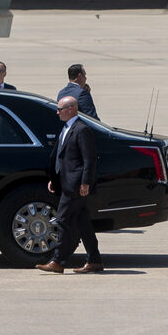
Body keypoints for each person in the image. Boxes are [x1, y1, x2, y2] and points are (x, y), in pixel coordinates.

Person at [38, 94, 102, 273]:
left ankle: (58, 261)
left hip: (75, 185)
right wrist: (54, 178)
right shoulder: (67, 128)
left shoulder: (82, 130)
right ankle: (95, 260)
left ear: (71, 109)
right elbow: (61, 156)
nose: (57, 112)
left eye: (60, 109)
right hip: (65, 182)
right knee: (83, 223)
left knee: (62, 220)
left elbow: (89, 159)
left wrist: (85, 182)